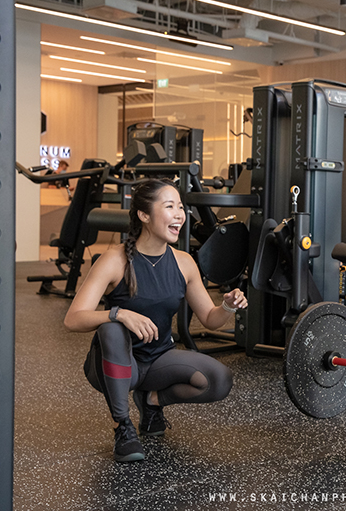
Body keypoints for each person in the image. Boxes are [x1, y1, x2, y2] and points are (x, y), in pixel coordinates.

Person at [64, 178, 247, 462]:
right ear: (144, 215)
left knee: (218, 380)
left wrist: (228, 306)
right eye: (170, 206)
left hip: (158, 361)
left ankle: (151, 402)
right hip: (115, 364)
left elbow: (211, 319)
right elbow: (72, 319)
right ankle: (122, 426)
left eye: (181, 207)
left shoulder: (184, 262)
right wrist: (119, 313)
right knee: (111, 329)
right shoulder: (115, 260)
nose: (180, 214)